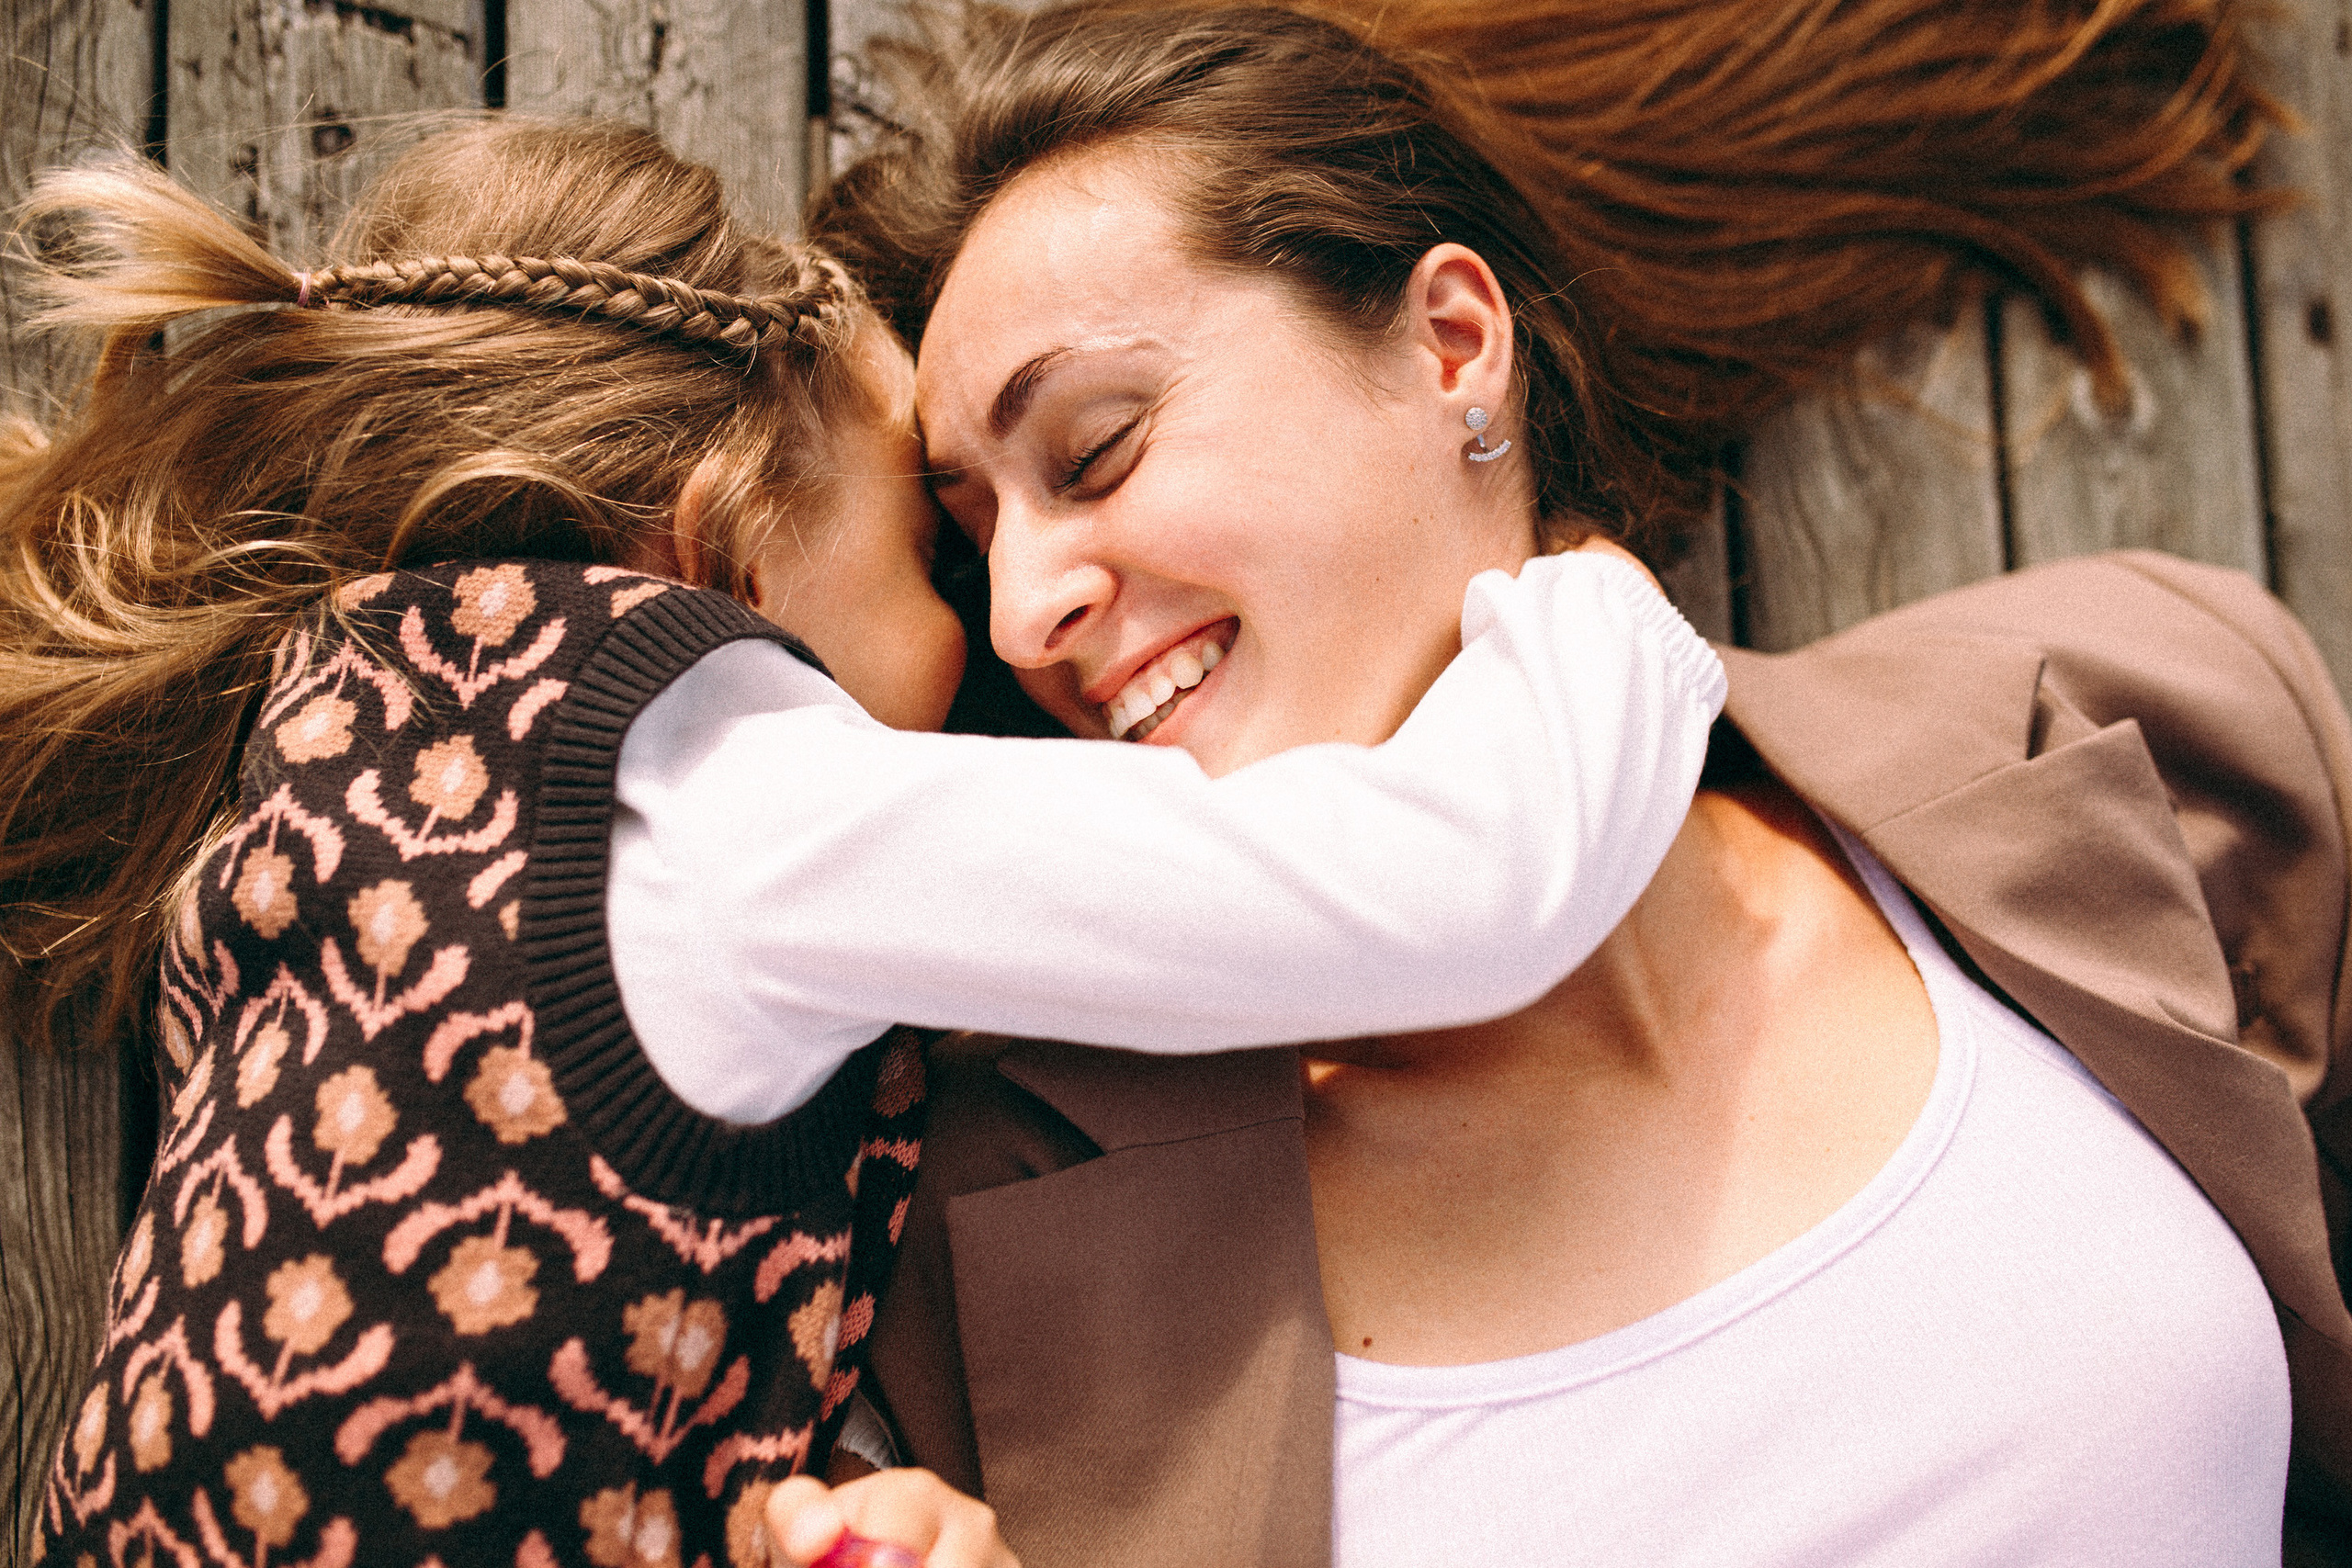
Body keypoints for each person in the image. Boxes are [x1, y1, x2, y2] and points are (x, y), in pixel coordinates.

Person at [0, 119, 1729, 1567]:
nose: (1006, 622)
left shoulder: (342, 764)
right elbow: (1459, 890)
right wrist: (1598, 608)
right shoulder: (730, 798)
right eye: (931, 536)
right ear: (725, 546)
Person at [804, 0, 2352, 1562]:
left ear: (1452, 346)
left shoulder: (2141, 717)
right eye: (976, 532)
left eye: (1097, 447)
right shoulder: (956, 1246)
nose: (1021, 612)